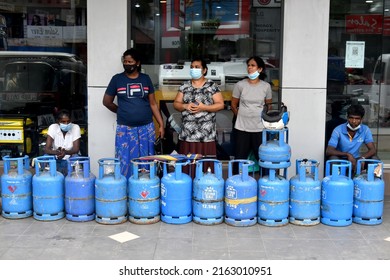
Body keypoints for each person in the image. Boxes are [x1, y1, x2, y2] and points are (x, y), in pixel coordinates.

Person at [103, 48, 164, 179]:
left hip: (146, 128)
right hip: (125, 128)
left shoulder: (145, 79)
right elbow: (107, 102)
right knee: (125, 159)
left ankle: (145, 188)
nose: (127, 64)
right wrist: (121, 111)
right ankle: (126, 188)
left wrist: (161, 124)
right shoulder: (117, 79)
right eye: (125, 61)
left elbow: (153, 104)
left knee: (146, 159)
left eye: (130, 61)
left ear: (137, 63)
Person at [173, 57, 224, 176]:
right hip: (188, 134)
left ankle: (205, 188)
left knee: (206, 167)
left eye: (197, 67)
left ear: (204, 70)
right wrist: (185, 106)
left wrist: (203, 107)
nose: (193, 69)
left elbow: (220, 104)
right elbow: (176, 104)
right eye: (192, 67)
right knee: (188, 166)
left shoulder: (212, 86)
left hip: (206, 135)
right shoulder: (185, 86)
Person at [230, 56, 272, 174]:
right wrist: (241, 116)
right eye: (248, 65)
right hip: (242, 127)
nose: (250, 68)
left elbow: (268, 106)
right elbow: (233, 105)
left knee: (262, 157)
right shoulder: (240, 85)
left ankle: (264, 182)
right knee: (239, 157)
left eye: (253, 65)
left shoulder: (266, 86)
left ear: (260, 69)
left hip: (259, 128)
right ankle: (235, 181)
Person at [326, 104, 378, 173]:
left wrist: (362, 158)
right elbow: (329, 151)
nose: (353, 121)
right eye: (351, 118)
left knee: (374, 159)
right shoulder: (338, 130)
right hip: (341, 159)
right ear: (347, 118)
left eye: (357, 119)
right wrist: (347, 154)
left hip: (357, 159)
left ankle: (371, 182)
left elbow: (373, 150)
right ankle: (336, 182)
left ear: (361, 119)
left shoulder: (365, 130)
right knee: (333, 159)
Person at [44, 109, 81, 175]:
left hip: (70, 157)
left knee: (76, 157)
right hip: (55, 157)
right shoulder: (53, 127)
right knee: (45, 157)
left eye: (68, 121)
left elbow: (76, 149)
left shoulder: (75, 127)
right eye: (63, 122)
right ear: (58, 122)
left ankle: (73, 177)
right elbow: (47, 149)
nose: (66, 124)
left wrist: (65, 152)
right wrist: (57, 152)